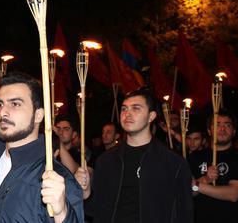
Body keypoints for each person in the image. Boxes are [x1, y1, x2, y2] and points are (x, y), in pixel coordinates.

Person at [0, 72, 83, 222]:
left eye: (15, 104)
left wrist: (63, 214)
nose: (2, 111)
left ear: (38, 115)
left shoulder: (57, 179)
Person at [75, 89, 193, 223]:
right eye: (124, 109)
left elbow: (184, 213)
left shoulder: (173, 162)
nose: (127, 114)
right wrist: (86, 192)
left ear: (151, 116)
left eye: (136, 108)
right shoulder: (106, 160)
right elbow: (96, 210)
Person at [187, 109, 238, 223]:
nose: (222, 129)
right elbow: (186, 192)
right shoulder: (195, 158)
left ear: (233, 131)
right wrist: (206, 179)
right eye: (217, 124)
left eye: (227, 125)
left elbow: (233, 194)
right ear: (209, 131)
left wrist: (197, 185)